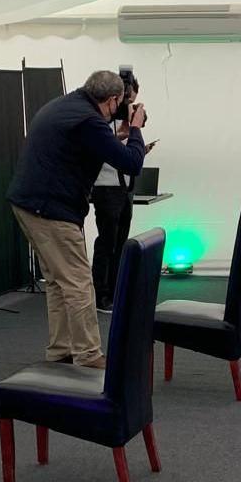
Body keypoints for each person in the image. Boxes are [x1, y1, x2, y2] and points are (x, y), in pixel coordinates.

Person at [8, 70, 147, 369]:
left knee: (59, 281)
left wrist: (118, 136)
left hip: (28, 203)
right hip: (51, 208)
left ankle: (61, 349)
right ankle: (88, 354)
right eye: (121, 102)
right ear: (112, 100)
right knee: (79, 282)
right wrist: (135, 129)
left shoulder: (68, 105)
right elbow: (133, 163)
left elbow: (87, 143)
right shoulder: (88, 119)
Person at [91, 77, 155, 313]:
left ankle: (117, 289)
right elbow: (103, 149)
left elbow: (124, 154)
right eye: (128, 100)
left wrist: (139, 148)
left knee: (120, 241)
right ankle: (101, 295)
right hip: (106, 186)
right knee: (107, 242)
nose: (130, 106)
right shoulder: (99, 118)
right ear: (115, 98)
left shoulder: (121, 122)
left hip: (125, 186)